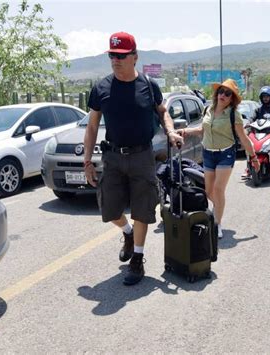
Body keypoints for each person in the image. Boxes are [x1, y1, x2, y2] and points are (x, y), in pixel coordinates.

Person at [83, 31, 183, 286]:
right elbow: (92, 126)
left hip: (142, 156)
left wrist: (171, 131)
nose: (115, 60)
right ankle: (127, 233)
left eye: (121, 55)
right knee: (110, 209)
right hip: (113, 157)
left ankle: (137, 259)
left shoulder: (148, 85)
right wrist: (87, 162)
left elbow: (163, 112)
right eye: (112, 55)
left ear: (134, 57)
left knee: (143, 209)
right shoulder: (101, 88)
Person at [180, 79, 260, 239]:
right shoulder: (208, 109)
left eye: (228, 93)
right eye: (221, 91)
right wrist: (186, 131)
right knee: (208, 191)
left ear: (232, 98)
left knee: (218, 189)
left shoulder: (233, 114)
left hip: (226, 154)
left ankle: (217, 223)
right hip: (208, 153)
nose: (223, 95)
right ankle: (218, 209)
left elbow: (243, 138)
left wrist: (254, 157)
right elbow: (202, 129)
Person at [242, 86, 270, 178]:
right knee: (250, 149)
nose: (265, 98)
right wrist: (248, 123)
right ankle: (248, 168)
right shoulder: (258, 109)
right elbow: (252, 118)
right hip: (259, 133)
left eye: (267, 96)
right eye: (264, 96)